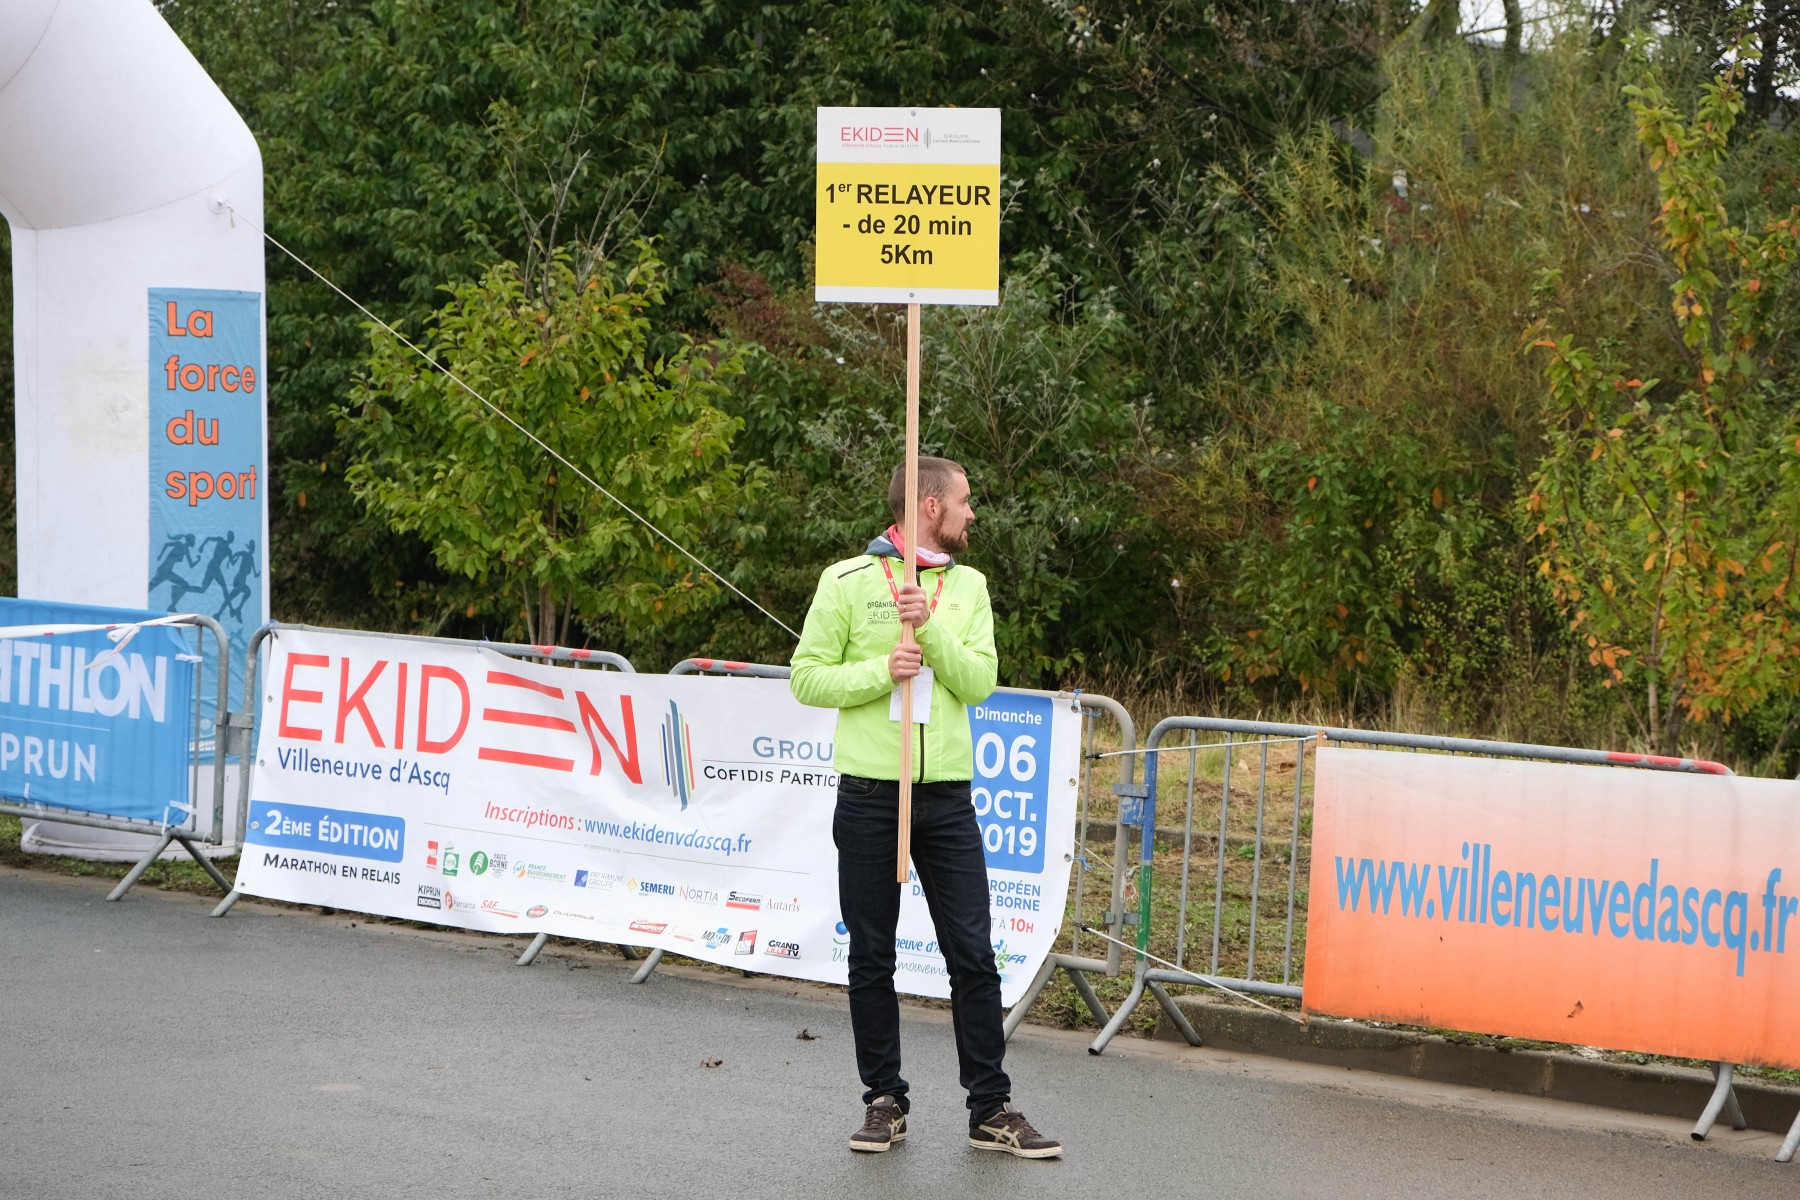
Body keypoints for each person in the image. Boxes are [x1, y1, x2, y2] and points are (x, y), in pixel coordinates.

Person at [790, 456, 1062, 1160]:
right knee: (871, 954)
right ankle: (884, 1100)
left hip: (945, 795)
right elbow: (807, 679)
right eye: (965, 501)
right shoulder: (846, 580)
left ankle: (990, 1107)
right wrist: (880, 671)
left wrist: (931, 631)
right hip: (869, 794)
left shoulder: (969, 587)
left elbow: (980, 682)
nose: (973, 513)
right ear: (931, 505)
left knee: (972, 953)